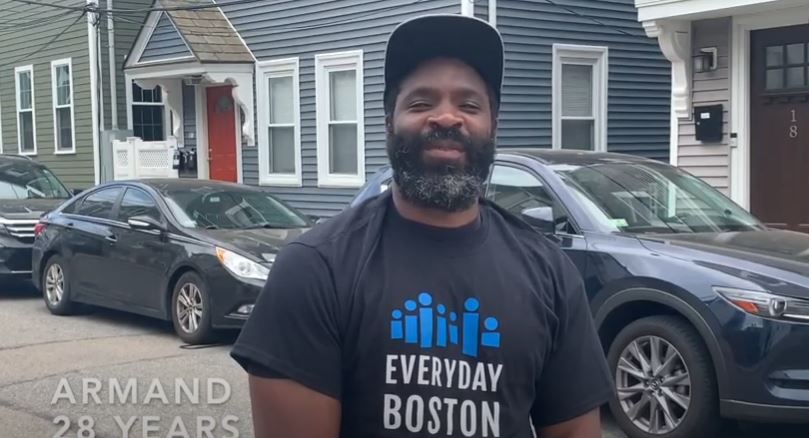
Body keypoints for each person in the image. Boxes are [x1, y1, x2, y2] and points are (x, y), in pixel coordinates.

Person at [230, 14, 614, 438]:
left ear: (494, 126)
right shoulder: (315, 269)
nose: (447, 118)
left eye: (469, 105)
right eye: (421, 103)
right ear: (388, 123)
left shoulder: (551, 274)